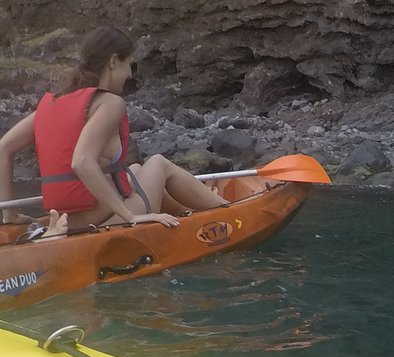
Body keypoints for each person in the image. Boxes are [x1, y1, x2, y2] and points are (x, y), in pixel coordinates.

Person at [0, 25, 227, 230]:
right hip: (105, 222)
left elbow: (4, 147)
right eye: (130, 65)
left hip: (67, 221)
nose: (130, 74)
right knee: (159, 163)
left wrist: (9, 213)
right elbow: (81, 161)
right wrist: (130, 216)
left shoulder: (54, 104)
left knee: (137, 169)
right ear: (114, 61)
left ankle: (186, 212)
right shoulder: (111, 103)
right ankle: (227, 208)